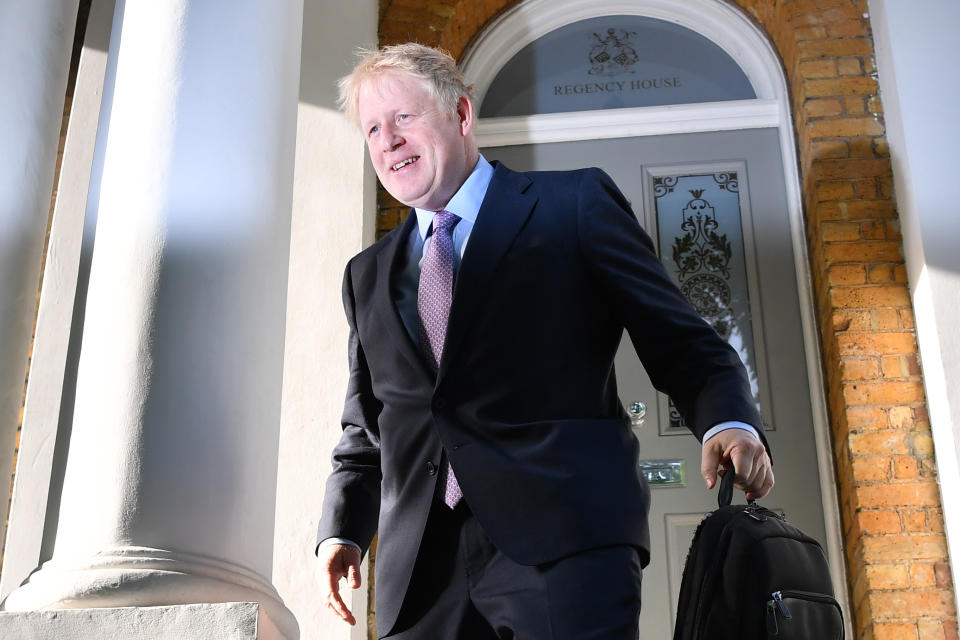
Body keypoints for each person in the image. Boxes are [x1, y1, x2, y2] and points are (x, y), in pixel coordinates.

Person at [315, 43, 774, 639]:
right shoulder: (366, 274)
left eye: (404, 117)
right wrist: (341, 529)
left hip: (566, 539)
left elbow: (680, 338)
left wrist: (728, 422)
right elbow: (367, 426)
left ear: (460, 114)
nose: (389, 141)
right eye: (374, 128)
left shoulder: (572, 205)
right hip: (421, 572)